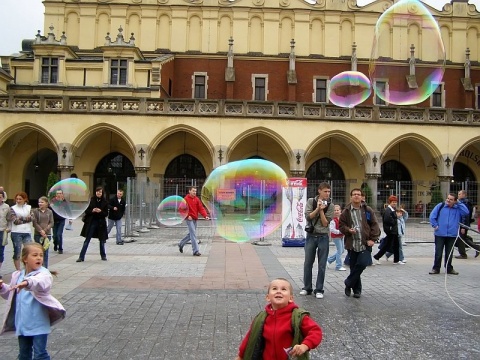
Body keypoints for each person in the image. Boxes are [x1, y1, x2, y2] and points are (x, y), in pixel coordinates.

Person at [0, 242, 66, 359]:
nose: (39, 258)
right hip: (23, 323)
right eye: (35, 255)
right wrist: (2, 287)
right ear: (25, 259)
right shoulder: (17, 275)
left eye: (41, 255)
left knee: (40, 354)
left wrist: (27, 282)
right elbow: (10, 294)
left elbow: (40, 282)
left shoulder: (44, 274)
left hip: (39, 323)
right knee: (24, 354)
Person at [235, 278, 322, 360]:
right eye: (274, 288)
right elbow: (250, 338)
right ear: (268, 297)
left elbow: (315, 331)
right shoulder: (261, 318)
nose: (278, 291)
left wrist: (305, 345)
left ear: (291, 298)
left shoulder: (298, 317)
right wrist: (240, 356)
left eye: (283, 289)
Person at [339, 188, 380, 298]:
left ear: (362, 197)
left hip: (365, 243)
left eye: (358, 194)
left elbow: (375, 225)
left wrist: (373, 239)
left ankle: (348, 283)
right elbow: (341, 226)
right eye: (354, 194)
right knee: (354, 267)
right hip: (352, 243)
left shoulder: (367, 210)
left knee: (362, 264)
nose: (356, 196)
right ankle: (357, 290)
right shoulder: (346, 211)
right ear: (351, 197)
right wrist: (348, 230)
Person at [300, 182, 334, 299]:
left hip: (323, 237)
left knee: (322, 265)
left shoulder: (331, 205)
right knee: (308, 263)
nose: (327, 194)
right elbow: (308, 217)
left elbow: (325, 223)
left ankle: (319, 289)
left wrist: (321, 211)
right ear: (319, 191)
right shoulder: (311, 201)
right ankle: (307, 287)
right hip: (311, 236)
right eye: (325, 191)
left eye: (329, 192)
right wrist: (317, 208)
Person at [428, 193, 469, 275]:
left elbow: (466, 212)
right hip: (440, 233)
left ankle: (449, 268)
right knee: (438, 252)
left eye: (451, 199)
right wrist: (435, 225)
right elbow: (432, 216)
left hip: (452, 234)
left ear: (455, 201)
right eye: (448, 198)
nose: (448, 200)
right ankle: (436, 268)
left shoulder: (458, 208)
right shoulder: (441, 206)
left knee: (449, 252)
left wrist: (459, 203)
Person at [77, 186, 109, 262]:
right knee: (87, 239)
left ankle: (103, 255)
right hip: (92, 222)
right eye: (97, 191)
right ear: (95, 192)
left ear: (102, 193)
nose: (99, 193)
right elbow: (86, 211)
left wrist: (100, 211)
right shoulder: (91, 200)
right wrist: (93, 210)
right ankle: (81, 257)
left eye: (100, 192)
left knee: (101, 240)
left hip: (101, 223)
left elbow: (106, 213)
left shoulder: (105, 201)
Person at [178, 187, 210, 256]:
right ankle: (195, 251)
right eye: (193, 191)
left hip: (195, 219)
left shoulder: (196, 199)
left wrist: (205, 215)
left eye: (195, 191)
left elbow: (201, 208)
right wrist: (187, 216)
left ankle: (181, 244)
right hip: (189, 219)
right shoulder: (185, 199)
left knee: (191, 234)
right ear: (189, 191)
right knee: (193, 234)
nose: (194, 192)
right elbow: (181, 209)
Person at [373, 195, 403, 264]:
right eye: (393, 202)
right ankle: (377, 257)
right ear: (390, 202)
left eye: (395, 202)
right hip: (391, 230)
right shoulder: (388, 210)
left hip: (394, 230)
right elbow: (388, 220)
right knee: (387, 245)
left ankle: (396, 260)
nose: (394, 203)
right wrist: (395, 217)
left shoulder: (392, 210)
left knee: (396, 245)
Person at [8, 192, 33, 271]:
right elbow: (15, 221)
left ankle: (27, 268)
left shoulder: (29, 207)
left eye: (20, 199)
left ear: (25, 199)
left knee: (29, 250)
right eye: (17, 199)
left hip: (27, 232)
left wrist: (21, 218)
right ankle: (18, 270)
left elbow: (32, 218)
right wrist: (26, 218)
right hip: (16, 232)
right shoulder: (13, 208)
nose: (18, 201)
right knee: (17, 252)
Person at [455, 190, 478, 259]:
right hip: (465, 224)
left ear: (464, 195)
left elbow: (464, 215)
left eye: (459, 194)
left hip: (463, 224)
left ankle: (463, 254)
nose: (458, 196)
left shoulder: (464, 203)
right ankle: (477, 248)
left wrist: (463, 226)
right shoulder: (467, 203)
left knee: (461, 239)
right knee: (463, 238)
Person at [31, 196, 54, 268]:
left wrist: (46, 230)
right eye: (39, 202)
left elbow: (51, 222)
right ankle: (38, 267)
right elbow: (35, 223)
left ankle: (45, 268)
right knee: (38, 252)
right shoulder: (35, 211)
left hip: (47, 235)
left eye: (42, 202)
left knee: (45, 252)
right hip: (38, 234)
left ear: (46, 203)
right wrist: (41, 231)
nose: (40, 204)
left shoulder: (49, 211)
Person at [327, 205, 346, 271]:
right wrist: (339, 232)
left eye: (338, 210)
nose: (336, 212)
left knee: (342, 250)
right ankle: (338, 265)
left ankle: (329, 260)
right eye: (335, 210)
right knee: (339, 251)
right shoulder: (333, 220)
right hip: (336, 237)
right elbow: (332, 229)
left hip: (341, 236)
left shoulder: (341, 219)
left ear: (340, 211)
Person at [50, 189, 67, 254]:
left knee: (59, 234)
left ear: (62, 194)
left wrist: (70, 218)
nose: (59, 194)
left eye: (60, 193)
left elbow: (67, 209)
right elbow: (50, 208)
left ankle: (60, 248)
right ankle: (55, 243)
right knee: (55, 235)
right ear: (56, 194)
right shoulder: (53, 201)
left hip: (61, 219)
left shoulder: (64, 201)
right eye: (57, 193)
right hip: (54, 220)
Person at [0, 191, 10, 277]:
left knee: (1, 251)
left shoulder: (6, 207)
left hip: (2, 231)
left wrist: (8, 228)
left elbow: (9, 219)